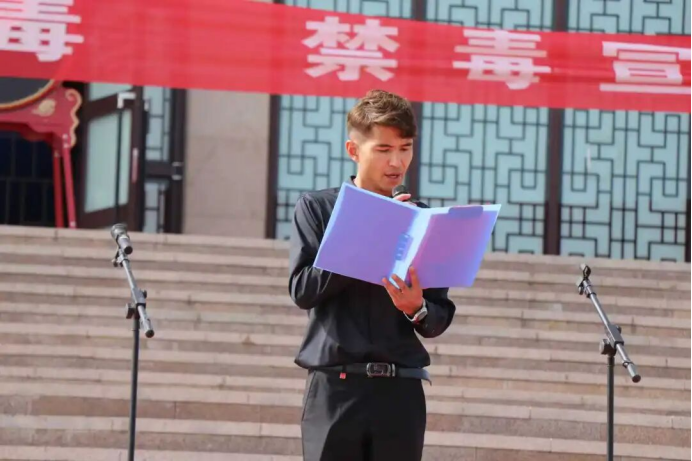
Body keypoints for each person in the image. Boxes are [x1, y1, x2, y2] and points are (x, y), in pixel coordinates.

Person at [288, 89, 457, 461]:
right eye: (383, 149)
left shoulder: (421, 219)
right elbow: (302, 290)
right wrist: (367, 233)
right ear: (354, 150)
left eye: (405, 148)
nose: (397, 161)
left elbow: (438, 315)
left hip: (401, 391)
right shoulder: (318, 209)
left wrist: (417, 309)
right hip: (334, 388)